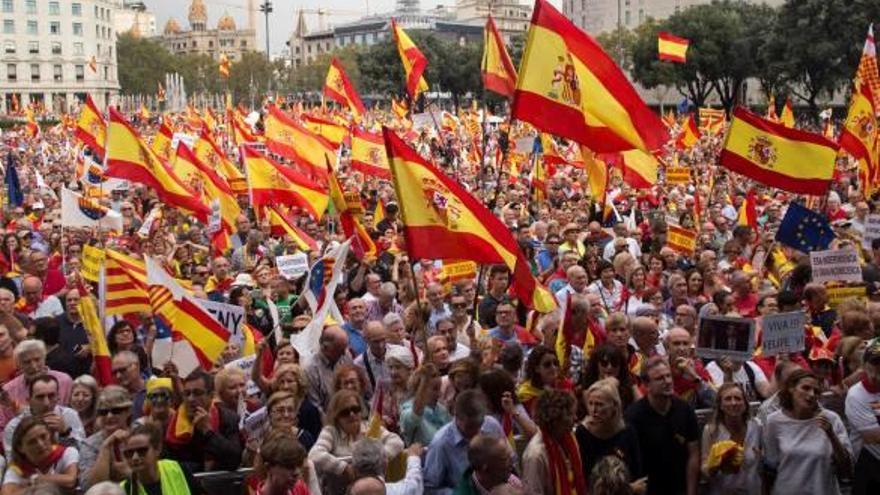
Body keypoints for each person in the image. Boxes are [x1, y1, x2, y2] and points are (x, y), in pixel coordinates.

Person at [763, 369, 853, 495]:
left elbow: (846, 469)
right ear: (791, 388)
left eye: (816, 391)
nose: (811, 394)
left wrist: (831, 435)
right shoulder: (774, 421)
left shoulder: (831, 419)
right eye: (805, 388)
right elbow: (770, 468)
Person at [625, 356, 700, 495]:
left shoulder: (685, 409)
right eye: (660, 378)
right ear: (646, 385)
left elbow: (693, 454)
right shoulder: (633, 416)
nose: (667, 381)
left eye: (668, 376)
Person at [308, 389, 403, 494]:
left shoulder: (370, 427)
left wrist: (375, 459)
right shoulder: (331, 431)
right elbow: (315, 454)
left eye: (355, 409)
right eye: (345, 412)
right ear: (336, 416)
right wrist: (343, 468)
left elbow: (397, 442)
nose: (352, 414)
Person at [423, 390, 505, 495]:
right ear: (456, 416)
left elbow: (509, 459)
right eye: (470, 426)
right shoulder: (441, 444)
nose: (476, 431)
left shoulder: (491, 425)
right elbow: (429, 488)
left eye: (479, 424)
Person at [164, 369, 243, 473]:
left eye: (197, 393)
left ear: (211, 395)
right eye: (187, 394)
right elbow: (168, 463)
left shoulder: (227, 418)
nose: (191, 399)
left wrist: (208, 432)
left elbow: (234, 459)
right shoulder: (173, 422)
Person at [574, 378, 644, 492]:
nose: (594, 410)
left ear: (614, 406)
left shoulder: (627, 431)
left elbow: (637, 474)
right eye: (590, 404)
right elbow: (581, 477)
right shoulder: (582, 432)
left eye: (599, 404)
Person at [3, 374, 85, 460]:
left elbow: (82, 456)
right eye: (40, 397)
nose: (46, 403)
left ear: (58, 397)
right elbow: (13, 462)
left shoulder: (69, 415)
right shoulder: (14, 426)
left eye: (51, 396)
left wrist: (64, 433)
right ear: (29, 400)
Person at [700, 383, 762, 494]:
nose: (733, 403)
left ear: (745, 404)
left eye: (738, 399)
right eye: (728, 399)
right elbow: (704, 469)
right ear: (720, 405)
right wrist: (715, 465)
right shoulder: (711, 431)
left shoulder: (757, 427)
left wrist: (761, 457)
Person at [521, 389, 586, 495]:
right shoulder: (536, 454)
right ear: (556, 419)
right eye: (570, 414)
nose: (575, 418)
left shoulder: (569, 439)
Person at [119, 423, 204, 495]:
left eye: (142, 451)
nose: (135, 457)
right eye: (129, 453)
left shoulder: (178, 469)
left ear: (158, 449)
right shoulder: (123, 490)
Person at [1, 417, 78, 495]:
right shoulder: (17, 468)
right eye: (32, 442)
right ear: (21, 448)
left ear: (50, 435)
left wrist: (35, 479)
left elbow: (70, 480)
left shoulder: (67, 452)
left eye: (43, 436)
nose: (40, 444)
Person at [80, 386, 134, 489]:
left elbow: (153, 476)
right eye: (103, 412)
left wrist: (129, 473)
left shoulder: (140, 434)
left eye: (116, 410)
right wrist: (106, 446)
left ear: (128, 411)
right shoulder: (89, 444)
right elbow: (88, 487)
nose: (109, 416)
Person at [844, 338, 880, 494]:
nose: (877, 369)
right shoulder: (857, 395)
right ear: (864, 365)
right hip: (870, 466)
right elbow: (873, 437)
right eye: (874, 364)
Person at [250, 429, 321, 495]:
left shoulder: (299, 487)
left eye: (298, 465)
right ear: (268, 467)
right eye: (289, 466)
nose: (296, 472)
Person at [305, 324, 354, 412]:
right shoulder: (311, 370)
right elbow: (316, 407)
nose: (343, 353)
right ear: (325, 348)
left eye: (345, 348)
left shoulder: (346, 356)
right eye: (339, 349)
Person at [399, 363, 451, 446]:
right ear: (419, 389)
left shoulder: (442, 409)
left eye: (439, 388)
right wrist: (424, 381)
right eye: (434, 389)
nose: (440, 393)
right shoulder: (407, 410)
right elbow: (416, 415)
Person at [353, 439, 424, 495]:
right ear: (385, 464)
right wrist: (413, 457)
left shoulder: (349, 490)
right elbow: (414, 484)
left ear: (355, 468)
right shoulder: (401, 491)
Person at [453, 434, 520, 494]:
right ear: (485, 468)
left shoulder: (509, 479)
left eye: (510, 457)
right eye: (504, 459)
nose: (511, 464)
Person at [516, 345, 571, 415]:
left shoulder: (564, 385)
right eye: (547, 365)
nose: (553, 368)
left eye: (555, 363)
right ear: (536, 368)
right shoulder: (525, 395)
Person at [111, 351, 146, 420]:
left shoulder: (153, 391)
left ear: (136, 366)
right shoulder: (113, 397)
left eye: (122, 370)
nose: (118, 376)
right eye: (115, 372)